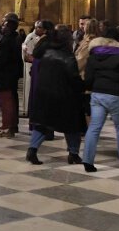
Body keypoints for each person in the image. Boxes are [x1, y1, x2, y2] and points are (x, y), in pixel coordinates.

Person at [81, 28, 119, 172]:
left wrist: (93, 87)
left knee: (94, 128)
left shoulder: (93, 56)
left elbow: (88, 78)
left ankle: (88, 161)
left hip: (97, 94)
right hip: (116, 95)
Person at [26, 24, 85, 165]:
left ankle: (32, 150)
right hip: (64, 97)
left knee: (42, 124)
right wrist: (84, 85)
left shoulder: (47, 52)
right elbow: (74, 78)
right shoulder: (68, 56)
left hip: (44, 94)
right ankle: (73, 153)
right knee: (73, 125)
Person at [0, 13, 23, 138]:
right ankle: (12, 125)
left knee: (7, 101)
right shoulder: (14, 37)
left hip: (6, 74)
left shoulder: (8, 39)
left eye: (4, 24)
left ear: (9, 25)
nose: (2, 27)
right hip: (11, 74)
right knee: (11, 99)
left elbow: (3, 59)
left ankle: (7, 127)